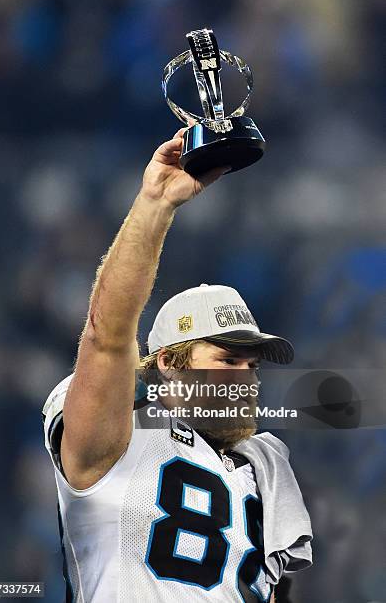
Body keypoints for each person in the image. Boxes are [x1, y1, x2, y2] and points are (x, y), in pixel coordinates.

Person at [42, 128, 312, 602]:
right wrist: (155, 204)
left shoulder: (263, 468)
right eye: (227, 359)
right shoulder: (122, 436)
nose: (245, 378)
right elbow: (107, 336)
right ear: (168, 363)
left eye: (252, 365)